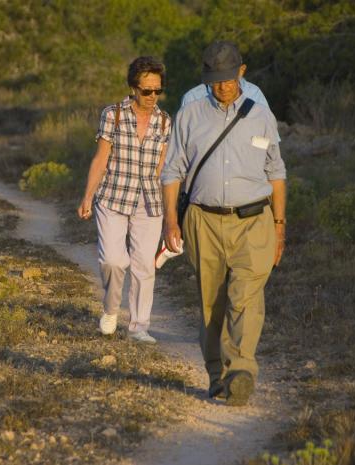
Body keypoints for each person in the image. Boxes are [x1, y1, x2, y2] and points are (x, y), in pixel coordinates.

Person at [161, 41, 286, 405]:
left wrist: (279, 223)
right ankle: (217, 375)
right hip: (203, 220)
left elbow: (276, 171)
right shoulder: (190, 113)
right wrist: (172, 219)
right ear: (206, 79)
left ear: (241, 72)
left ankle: (241, 371)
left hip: (254, 220)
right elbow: (172, 170)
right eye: (215, 80)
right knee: (211, 303)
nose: (222, 86)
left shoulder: (261, 113)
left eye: (228, 79)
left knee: (245, 296)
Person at [78, 56, 171, 344]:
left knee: (144, 265)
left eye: (157, 90)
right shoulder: (113, 114)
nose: (152, 97)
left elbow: (163, 167)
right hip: (113, 196)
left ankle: (139, 326)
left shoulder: (165, 121)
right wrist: (87, 196)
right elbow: (101, 159)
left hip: (149, 200)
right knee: (114, 261)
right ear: (133, 88)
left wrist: (171, 211)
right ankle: (110, 308)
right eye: (147, 91)